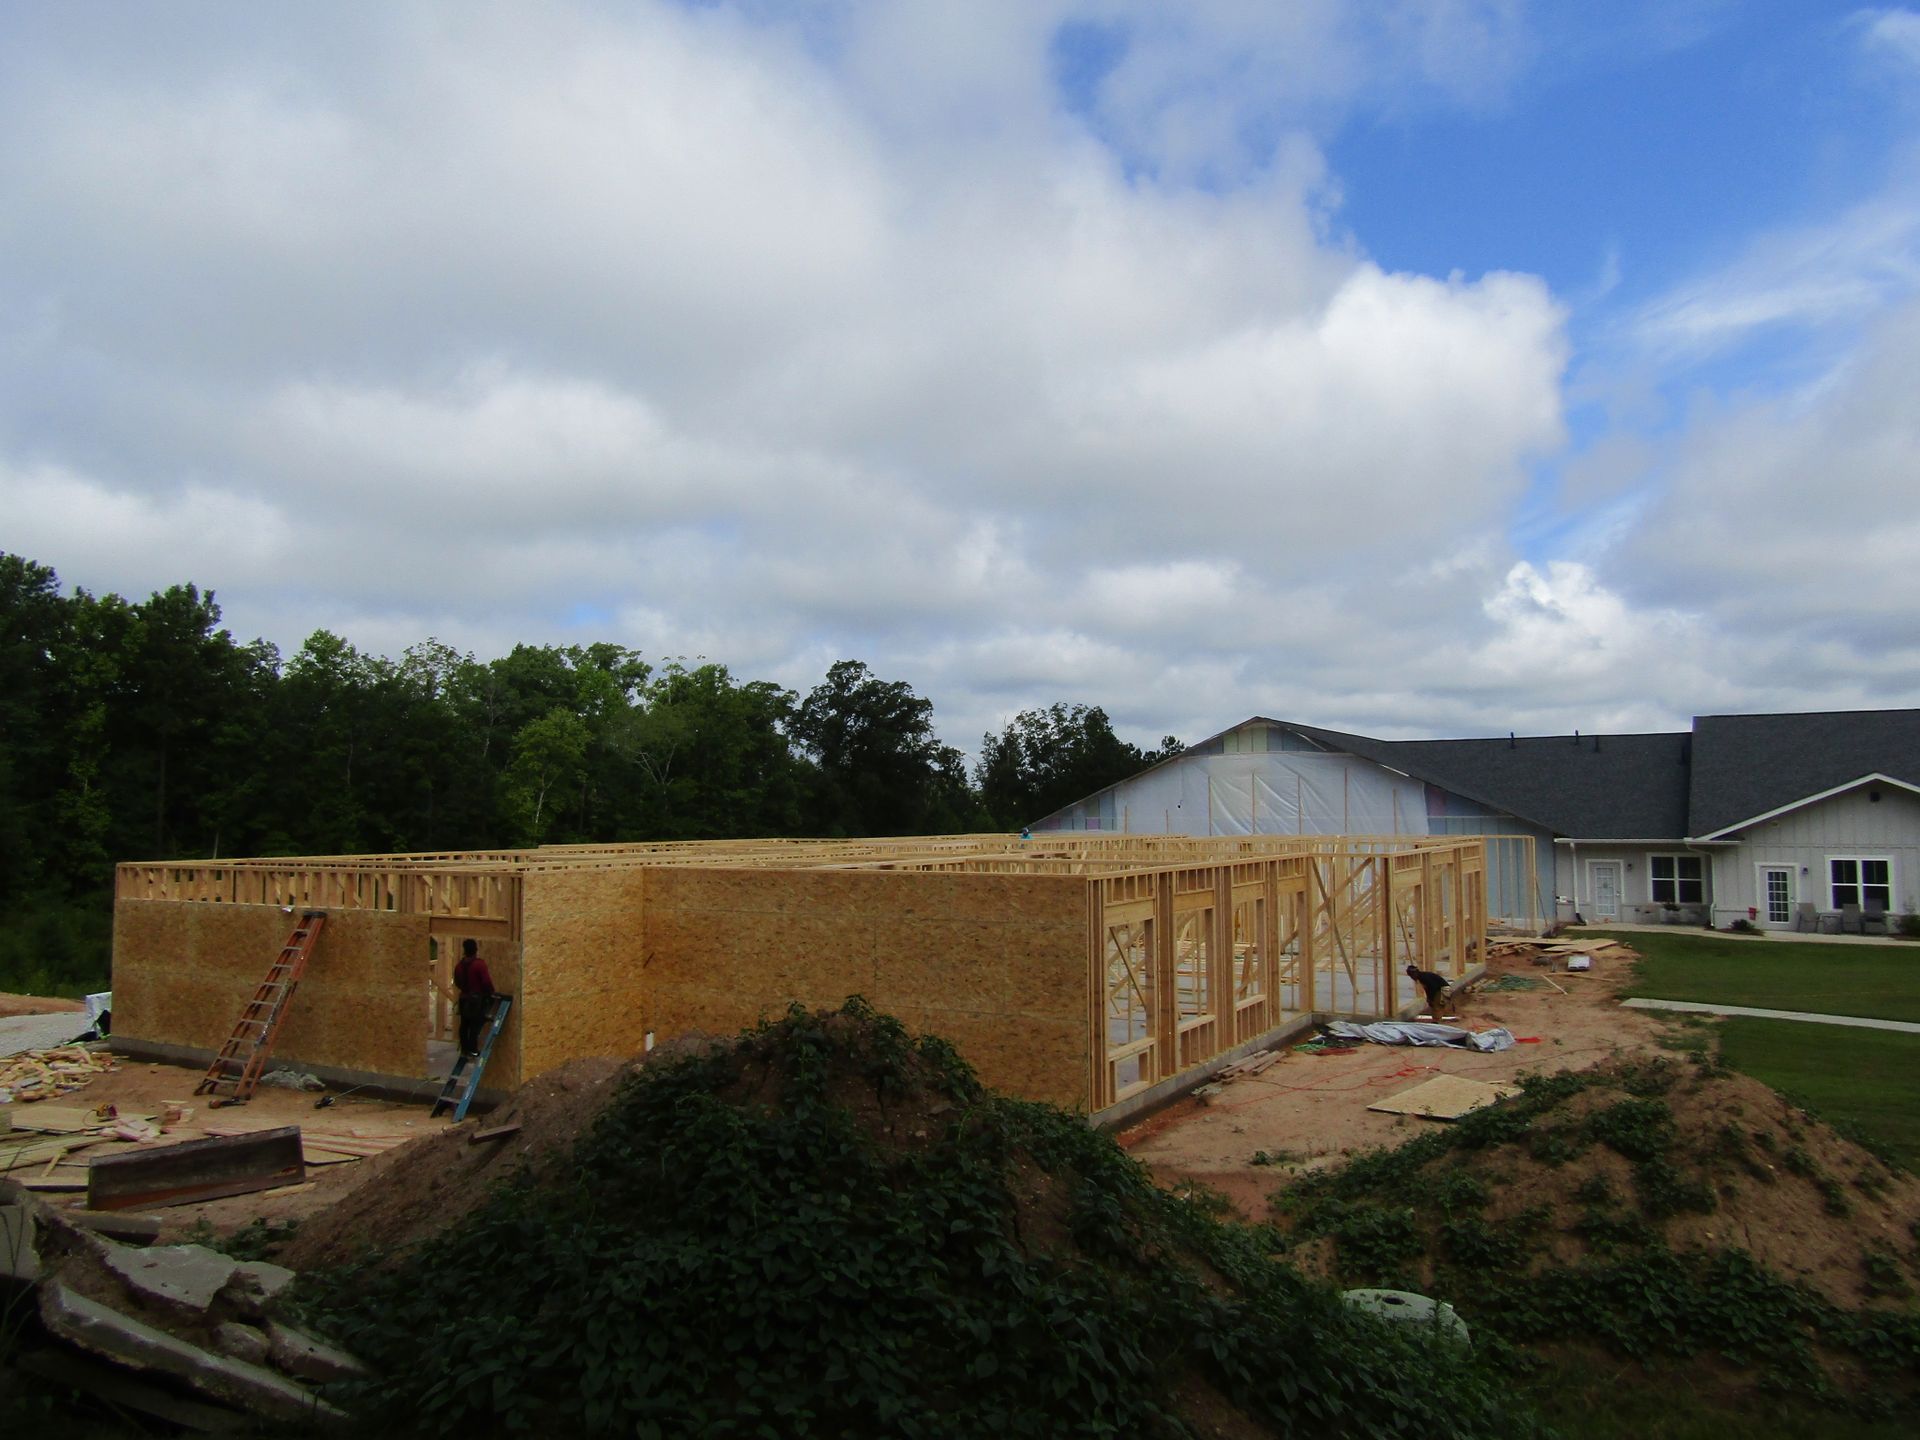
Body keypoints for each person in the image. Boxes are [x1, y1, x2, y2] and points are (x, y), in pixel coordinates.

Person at [453, 939, 496, 1057]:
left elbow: (457, 982)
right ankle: (472, 1049)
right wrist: (491, 993)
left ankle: (464, 1049)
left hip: (463, 999)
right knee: (474, 1025)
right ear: (475, 950)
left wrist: (465, 990)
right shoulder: (479, 964)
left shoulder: (459, 966)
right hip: (475, 1000)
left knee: (464, 1024)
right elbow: (486, 982)